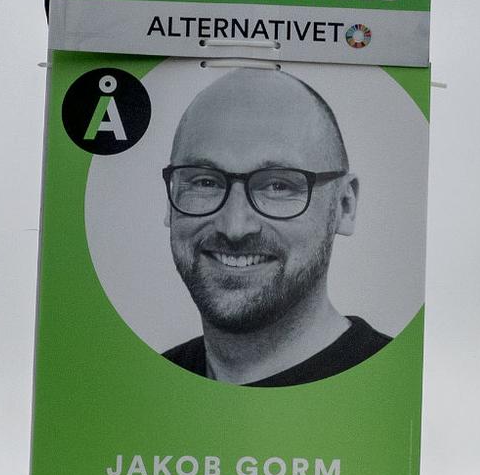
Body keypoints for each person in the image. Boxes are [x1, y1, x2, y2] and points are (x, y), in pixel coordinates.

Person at [150, 69, 388, 387]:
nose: (234, 227)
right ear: (170, 199)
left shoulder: (396, 384)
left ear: (344, 206)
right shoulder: (143, 387)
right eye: (205, 182)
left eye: (277, 186)